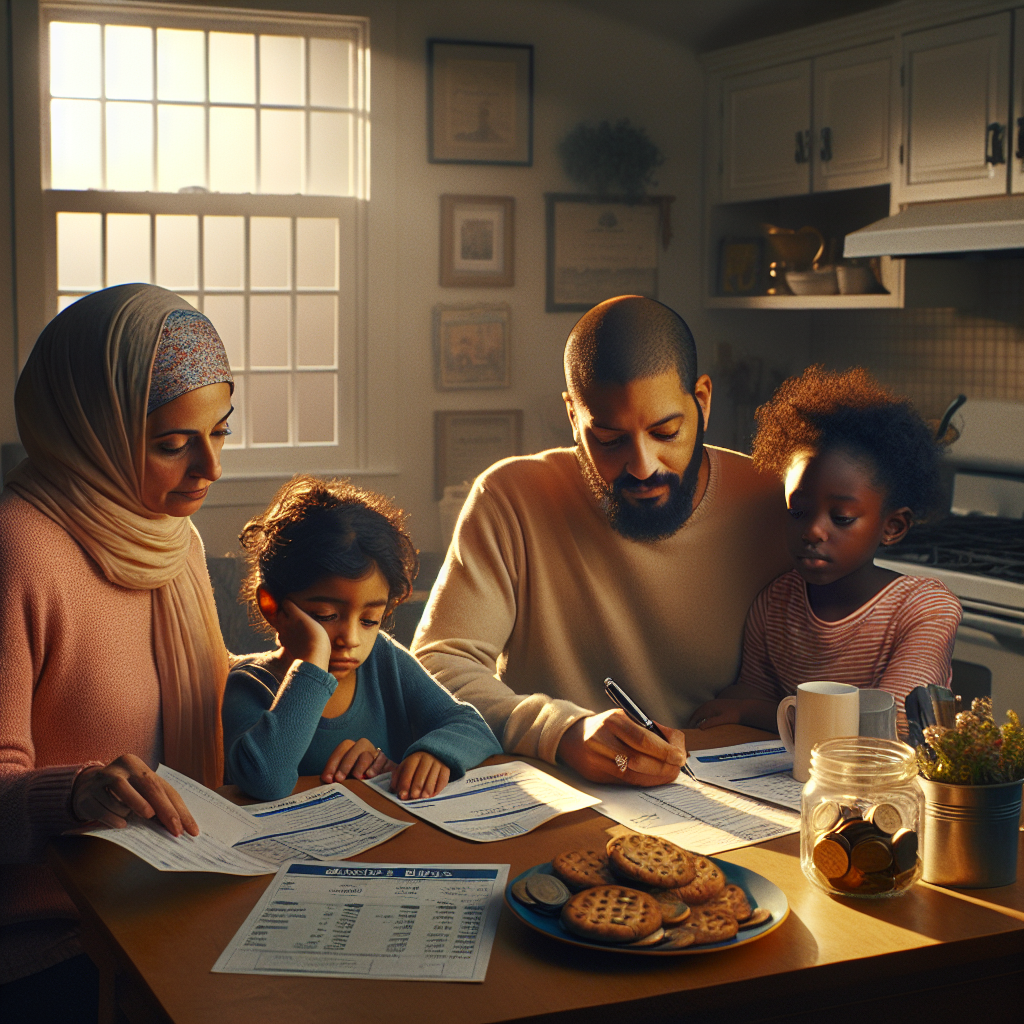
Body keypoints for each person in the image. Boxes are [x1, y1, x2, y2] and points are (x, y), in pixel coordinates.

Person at [412, 295, 791, 787]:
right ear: (573, 414)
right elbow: (436, 667)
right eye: (610, 440)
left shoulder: (776, 502)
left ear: (702, 399)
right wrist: (562, 731)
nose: (642, 465)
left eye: (666, 432)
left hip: (728, 799)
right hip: (553, 797)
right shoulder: (510, 497)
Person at [0, 284, 233, 1020]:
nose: (209, 469)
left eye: (220, 432)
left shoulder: (175, 538)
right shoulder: (20, 550)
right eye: (172, 444)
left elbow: (184, 702)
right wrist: (76, 794)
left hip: (173, 904)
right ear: (87, 429)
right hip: (54, 942)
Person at [689, 366, 962, 737]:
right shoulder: (775, 603)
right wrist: (751, 707)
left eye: (842, 517)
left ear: (892, 527)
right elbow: (743, 695)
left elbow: (886, 728)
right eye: (798, 512)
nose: (814, 530)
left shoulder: (924, 608)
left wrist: (754, 710)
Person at [222, 476, 501, 803]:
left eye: (370, 620)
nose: (351, 639)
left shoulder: (383, 659)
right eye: (326, 615)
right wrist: (314, 663)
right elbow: (265, 780)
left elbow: (473, 728)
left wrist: (433, 753)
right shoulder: (249, 685)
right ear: (274, 607)